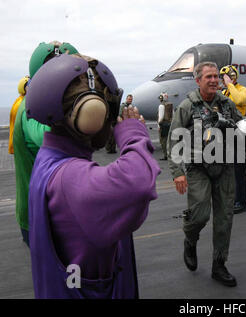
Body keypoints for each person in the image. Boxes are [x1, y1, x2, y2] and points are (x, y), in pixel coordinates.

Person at [26, 53, 160, 298]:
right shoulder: (69, 178)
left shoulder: (48, 159)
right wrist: (134, 136)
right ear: (93, 114)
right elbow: (138, 184)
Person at [168, 61, 243, 287]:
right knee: (199, 214)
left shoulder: (226, 104)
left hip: (225, 167)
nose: (213, 80)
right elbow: (174, 138)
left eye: (215, 77)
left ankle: (219, 265)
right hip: (198, 167)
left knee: (224, 219)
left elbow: (242, 124)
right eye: (208, 77)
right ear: (198, 80)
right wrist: (176, 172)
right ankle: (190, 239)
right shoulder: (187, 107)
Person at [13, 41, 78, 246]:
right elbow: (49, 139)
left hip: (55, 212)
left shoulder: (41, 103)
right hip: (43, 217)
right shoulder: (30, 108)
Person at [220, 65, 246, 214]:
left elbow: (239, 100)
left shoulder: (242, 89)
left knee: (238, 170)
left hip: (239, 131)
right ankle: (232, 198)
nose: (222, 80)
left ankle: (241, 201)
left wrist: (229, 84)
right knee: (228, 170)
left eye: (225, 77)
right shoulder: (224, 91)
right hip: (226, 133)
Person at [8, 76, 29, 154]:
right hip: (20, 141)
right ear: (25, 88)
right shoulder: (22, 103)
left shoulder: (18, 101)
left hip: (16, 140)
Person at [157, 92, 173, 160]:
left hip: (163, 125)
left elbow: (160, 117)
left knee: (163, 141)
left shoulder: (161, 106)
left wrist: (158, 126)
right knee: (168, 140)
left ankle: (165, 155)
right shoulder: (170, 105)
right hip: (169, 124)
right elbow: (173, 115)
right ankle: (170, 154)